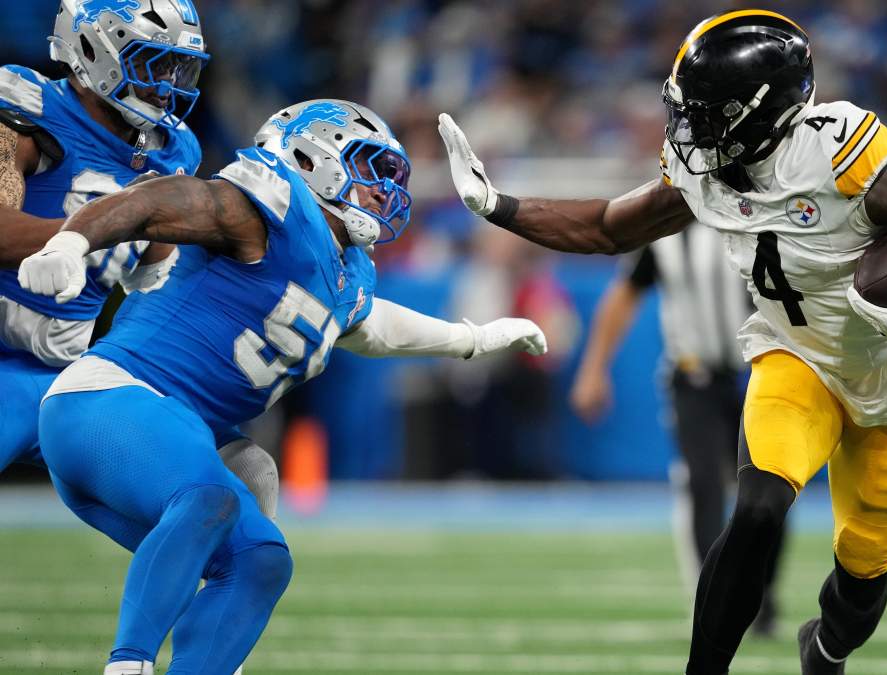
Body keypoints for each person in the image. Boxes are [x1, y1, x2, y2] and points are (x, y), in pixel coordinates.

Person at [437, 9, 887, 674]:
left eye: (709, 113)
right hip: (795, 358)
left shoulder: (839, 157)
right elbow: (608, 228)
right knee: (758, 509)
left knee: (861, 583)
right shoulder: (703, 172)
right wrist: (499, 207)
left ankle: (824, 648)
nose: (690, 129)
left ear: (761, 113)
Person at [19, 98, 548, 673]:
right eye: (368, 167)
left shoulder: (347, 270)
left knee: (260, 559)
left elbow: (373, 327)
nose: (382, 191)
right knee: (212, 496)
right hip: (107, 402)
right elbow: (158, 201)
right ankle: (129, 664)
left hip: (174, 432)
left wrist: (473, 338)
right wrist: (71, 242)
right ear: (311, 157)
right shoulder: (270, 206)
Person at [0, 0, 280, 519]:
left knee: (246, 468)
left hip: (71, 372)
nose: (167, 83)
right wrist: (93, 234)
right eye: (152, 62)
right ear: (92, 51)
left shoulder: (173, 150)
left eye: (177, 65)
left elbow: (153, 279)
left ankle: (222, 571)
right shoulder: (25, 108)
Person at [569, 224, 784, 635]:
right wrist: (594, 368)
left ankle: (761, 590)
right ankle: (718, 598)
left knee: (768, 490)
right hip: (693, 377)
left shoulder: (759, 216)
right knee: (703, 483)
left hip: (762, 374)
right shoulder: (665, 226)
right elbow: (626, 291)